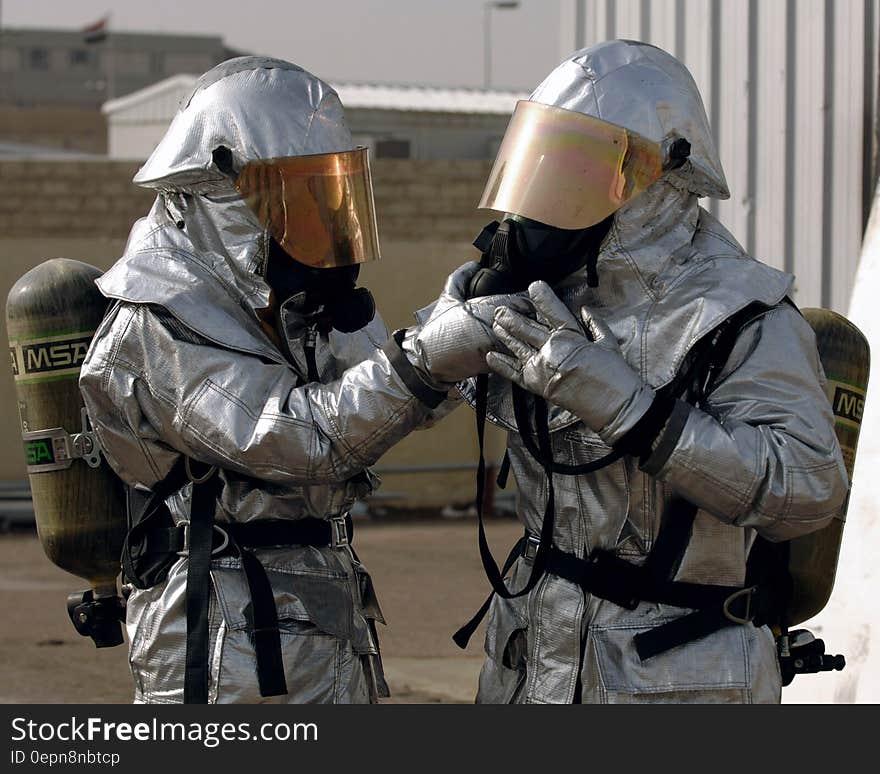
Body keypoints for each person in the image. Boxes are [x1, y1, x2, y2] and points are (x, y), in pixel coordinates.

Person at [78, 56, 518, 704]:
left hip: (319, 626)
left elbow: (391, 403)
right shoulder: (155, 321)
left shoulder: (288, 304)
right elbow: (302, 438)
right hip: (226, 652)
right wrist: (428, 355)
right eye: (294, 199)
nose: (319, 225)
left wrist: (463, 316)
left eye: (329, 196)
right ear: (220, 194)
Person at [453, 40, 849, 704]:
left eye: (581, 170)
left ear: (664, 175)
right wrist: (439, 336)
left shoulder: (741, 313)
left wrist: (639, 415)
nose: (550, 195)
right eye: (547, 164)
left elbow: (809, 488)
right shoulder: (545, 293)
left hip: (672, 675)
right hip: (536, 663)